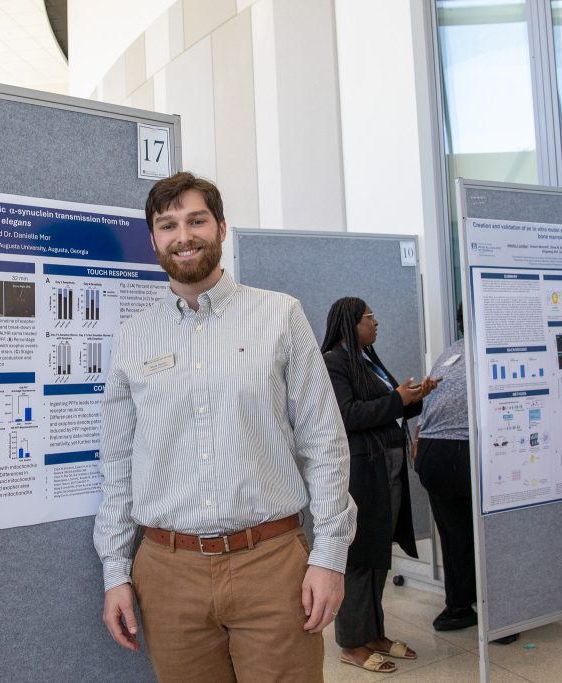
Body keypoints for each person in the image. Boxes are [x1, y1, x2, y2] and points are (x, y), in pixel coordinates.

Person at [94, 172, 356, 683]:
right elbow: (118, 466)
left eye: (196, 220)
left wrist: (329, 556)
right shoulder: (134, 338)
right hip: (168, 572)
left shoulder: (280, 316)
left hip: (272, 564)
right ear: (153, 240)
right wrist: (115, 571)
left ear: (221, 228)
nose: (183, 236)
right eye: (167, 225)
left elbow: (323, 441)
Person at [321, 298, 437, 673]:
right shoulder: (334, 362)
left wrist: (414, 398)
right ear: (350, 323)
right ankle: (352, 643)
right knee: (359, 559)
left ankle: (374, 634)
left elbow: (388, 408)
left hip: (387, 466)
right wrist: (396, 399)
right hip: (363, 472)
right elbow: (347, 415)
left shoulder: (367, 358)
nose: (376, 323)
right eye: (370, 317)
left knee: (377, 555)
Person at [413, 315, 519, 645]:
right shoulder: (499, 351)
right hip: (470, 450)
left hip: (432, 453)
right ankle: (498, 616)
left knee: (455, 532)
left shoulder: (451, 352)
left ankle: (458, 608)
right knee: (495, 534)